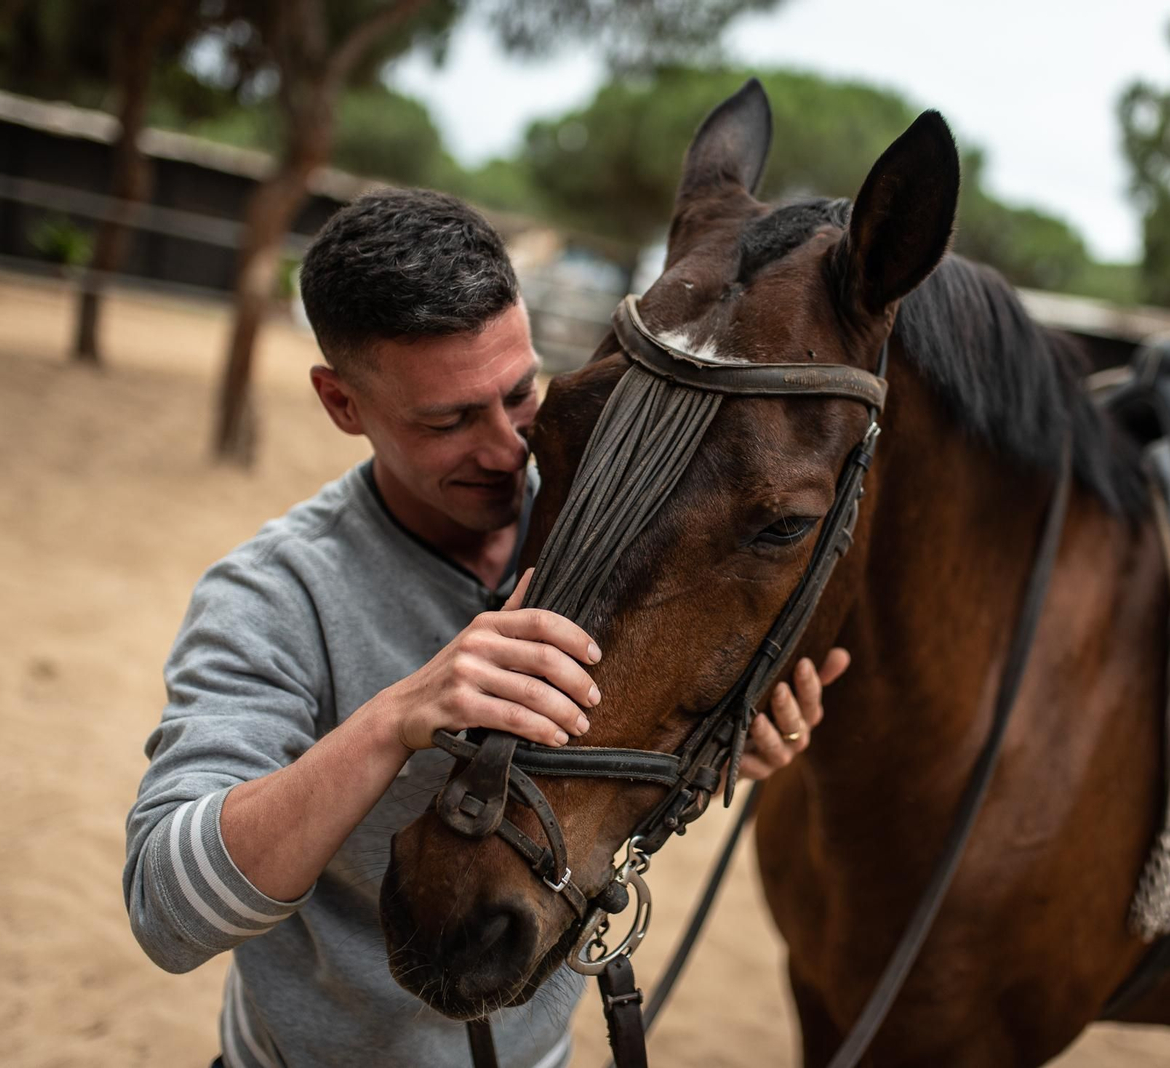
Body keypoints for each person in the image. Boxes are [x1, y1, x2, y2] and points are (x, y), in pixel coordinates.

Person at [123, 188, 851, 1068]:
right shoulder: (272, 594)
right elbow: (168, 914)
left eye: (517, 394)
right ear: (342, 403)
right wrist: (394, 720)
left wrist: (722, 745)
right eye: (449, 420)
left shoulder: (612, 530)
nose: (508, 448)